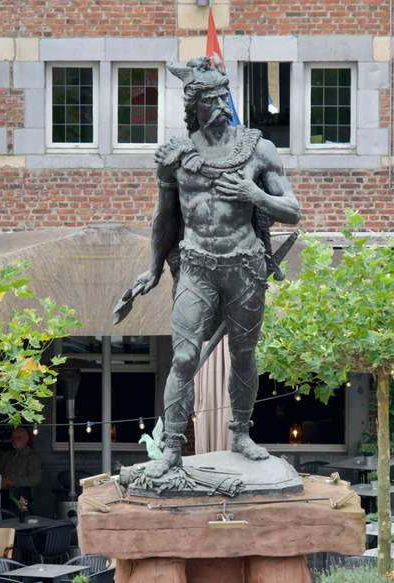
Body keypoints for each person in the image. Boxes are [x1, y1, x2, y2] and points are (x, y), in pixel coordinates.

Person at [134, 57, 301, 478]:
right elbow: (165, 219)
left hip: (244, 266)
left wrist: (254, 195)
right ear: (194, 104)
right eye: (210, 99)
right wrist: (154, 269)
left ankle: (240, 433)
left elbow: (293, 210)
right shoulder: (176, 155)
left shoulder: (258, 149)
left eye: (222, 96)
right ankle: (173, 447)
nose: (220, 105)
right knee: (185, 357)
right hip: (196, 264)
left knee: (243, 355)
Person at [0, 426, 42, 509]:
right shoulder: (7, 455)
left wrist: (13, 482)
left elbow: (35, 478)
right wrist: (2, 481)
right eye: (13, 438)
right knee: (3, 516)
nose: (15, 440)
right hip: (4, 493)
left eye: (18, 437)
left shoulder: (32, 457)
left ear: (26, 439)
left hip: (23, 495)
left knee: (21, 515)